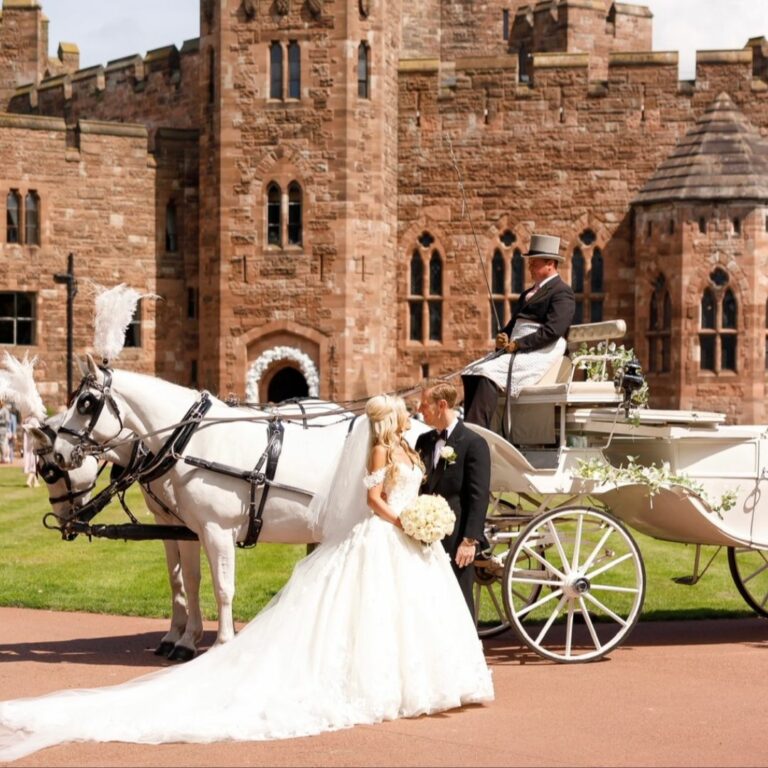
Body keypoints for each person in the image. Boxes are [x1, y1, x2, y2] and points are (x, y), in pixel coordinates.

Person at [0, 395, 493, 761]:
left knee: (405, 611)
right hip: (391, 532)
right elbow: (374, 497)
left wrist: (426, 518)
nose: (414, 416)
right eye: (406, 414)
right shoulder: (388, 450)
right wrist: (406, 520)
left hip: (407, 539)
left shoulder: (416, 447)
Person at [461, 233, 576, 430]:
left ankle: (480, 430)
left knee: (486, 372)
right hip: (517, 347)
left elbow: (553, 330)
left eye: (534, 263)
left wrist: (520, 344)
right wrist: (504, 336)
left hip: (541, 349)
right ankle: (471, 426)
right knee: (471, 370)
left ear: (550, 264)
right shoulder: (527, 294)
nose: (529, 267)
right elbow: (513, 324)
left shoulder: (562, 292)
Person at [416, 379, 491, 615]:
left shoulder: (473, 444)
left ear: (442, 405)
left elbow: (478, 497)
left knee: (458, 597)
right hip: (422, 535)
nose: (419, 410)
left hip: (457, 537)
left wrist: (469, 540)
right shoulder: (423, 441)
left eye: (424, 405)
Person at [22, 416, 39, 487]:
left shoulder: (26, 420)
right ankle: (29, 481)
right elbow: (38, 432)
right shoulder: (34, 420)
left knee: (32, 463)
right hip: (33, 445)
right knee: (35, 464)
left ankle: (36, 482)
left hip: (28, 445)